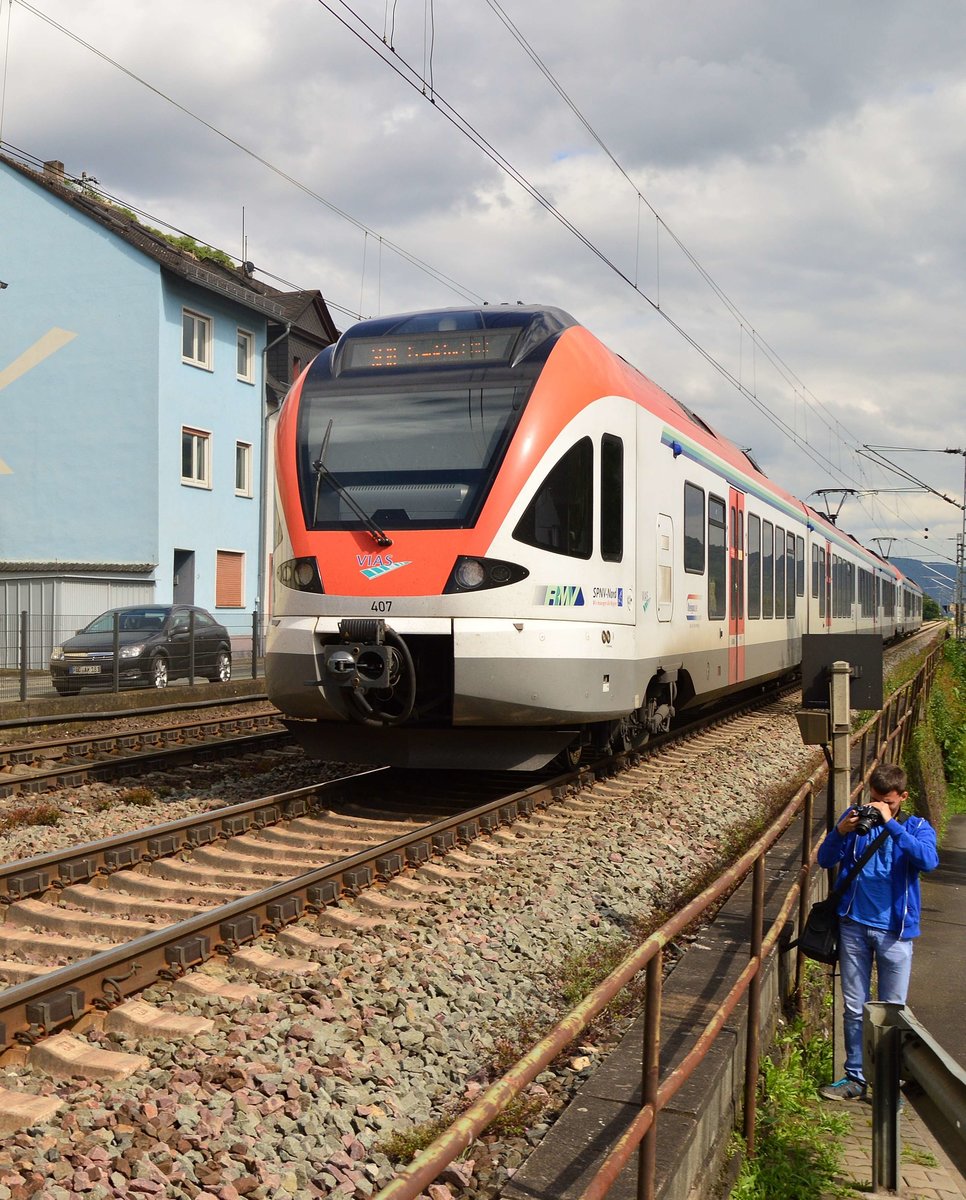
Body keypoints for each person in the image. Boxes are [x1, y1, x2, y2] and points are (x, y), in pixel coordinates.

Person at [817, 762, 939, 1101]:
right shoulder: (856, 821)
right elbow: (825, 860)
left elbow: (928, 860)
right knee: (854, 1008)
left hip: (895, 933)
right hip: (853, 925)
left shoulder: (916, 827)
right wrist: (840, 832)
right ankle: (855, 1077)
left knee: (892, 1012)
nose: (877, 805)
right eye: (873, 798)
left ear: (902, 796)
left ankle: (887, 1084)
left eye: (886, 800)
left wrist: (890, 824)